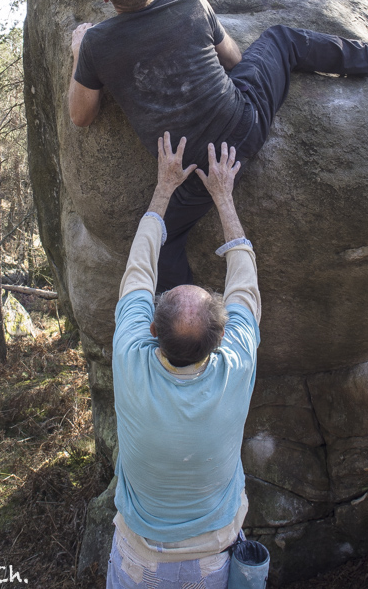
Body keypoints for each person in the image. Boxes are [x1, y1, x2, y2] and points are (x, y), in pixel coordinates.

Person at [69, 0, 368, 291]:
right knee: (281, 39)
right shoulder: (190, 2)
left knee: (160, 244)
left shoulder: (96, 44)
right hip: (243, 125)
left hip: (194, 171)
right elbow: (234, 60)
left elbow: (81, 116)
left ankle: (189, 332)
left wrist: (79, 52)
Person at [109, 132, 260, 589]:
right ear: (220, 338)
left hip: (139, 559)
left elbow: (138, 271)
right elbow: (245, 284)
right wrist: (224, 198)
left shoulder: (130, 359)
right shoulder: (235, 365)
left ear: (152, 332)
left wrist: (164, 188)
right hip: (212, 563)